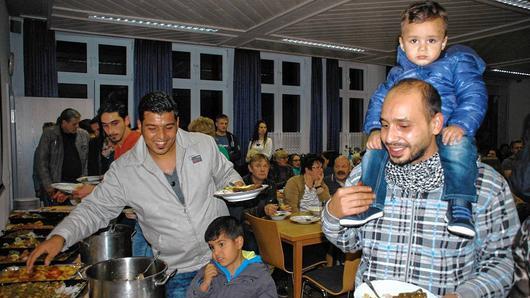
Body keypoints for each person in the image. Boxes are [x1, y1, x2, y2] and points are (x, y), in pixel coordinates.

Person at [27, 91, 244, 298]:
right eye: (152, 128)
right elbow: (94, 209)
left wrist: (238, 185)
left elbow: (226, 174)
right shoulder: (125, 170)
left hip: (225, 259)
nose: (161, 137)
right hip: (178, 271)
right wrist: (60, 236)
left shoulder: (203, 145)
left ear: (177, 123)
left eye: (168, 127)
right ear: (140, 125)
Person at [323, 79, 519, 297]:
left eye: (404, 126)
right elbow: (348, 243)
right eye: (385, 124)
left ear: (436, 124)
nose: (388, 137)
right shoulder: (367, 175)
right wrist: (332, 213)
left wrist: (467, 294)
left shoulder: (483, 184)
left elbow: (504, 261)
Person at [346, 1, 488, 239]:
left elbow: (474, 95)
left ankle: (461, 205)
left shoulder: (456, 64)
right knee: (374, 150)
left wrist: (461, 124)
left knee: (459, 148)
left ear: (443, 42)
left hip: (448, 128)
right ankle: (369, 203)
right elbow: (379, 100)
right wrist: (373, 129)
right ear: (402, 43)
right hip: (415, 140)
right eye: (414, 41)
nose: (422, 48)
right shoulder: (397, 74)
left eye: (431, 41)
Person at [186, 216, 276, 298]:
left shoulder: (259, 275)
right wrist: (204, 286)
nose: (216, 252)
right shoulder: (208, 271)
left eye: (221, 244)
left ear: (238, 242)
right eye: (212, 247)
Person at [35, 108, 90, 206]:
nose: (77, 126)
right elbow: (41, 162)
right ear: (64, 122)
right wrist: (48, 186)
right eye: (74, 124)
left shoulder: (84, 135)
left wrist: (85, 183)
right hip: (57, 185)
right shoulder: (49, 134)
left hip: (78, 185)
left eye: (78, 123)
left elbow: (87, 161)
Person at [229, 153, 279, 252]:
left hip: (266, 224)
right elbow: (240, 214)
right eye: (258, 166)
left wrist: (277, 208)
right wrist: (263, 209)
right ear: (250, 168)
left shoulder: (271, 184)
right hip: (244, 227)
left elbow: (274, 204)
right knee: (253, 245)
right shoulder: (241, 186)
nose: (262, 169)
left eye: (265, 166)